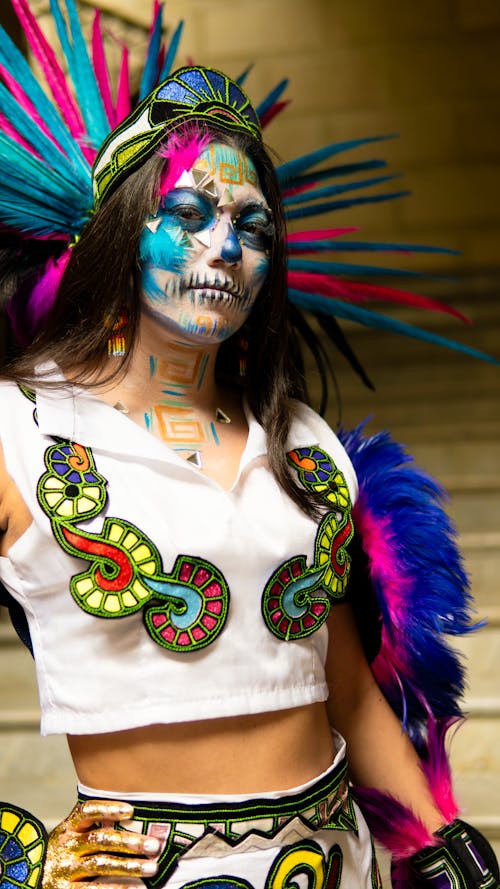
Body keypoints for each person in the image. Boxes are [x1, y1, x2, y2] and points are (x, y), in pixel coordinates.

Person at [0, 7, 498, 889]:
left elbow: (346, 688)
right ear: (121, 234)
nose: (224, 247)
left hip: (336, 866)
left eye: (254, 226)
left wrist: (441, 844)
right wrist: (19, 857)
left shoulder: (304, 444)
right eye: (186, 213)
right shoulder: (20, 428)